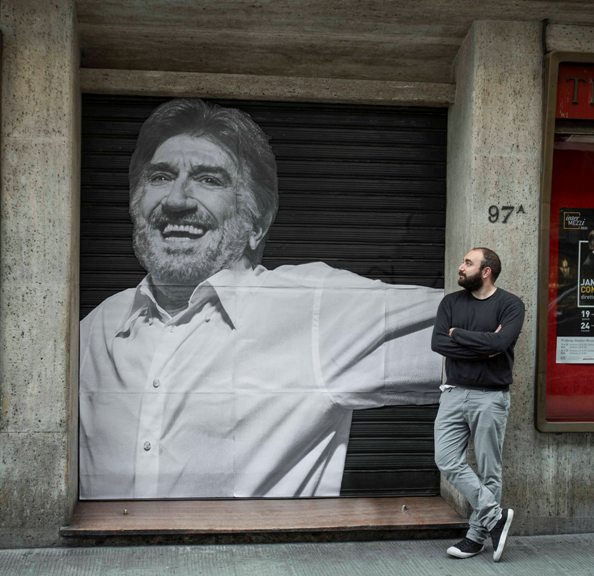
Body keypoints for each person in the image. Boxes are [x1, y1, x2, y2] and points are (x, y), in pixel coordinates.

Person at [80, 98, 443, 500]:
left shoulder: (314, 310)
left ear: (257, 223)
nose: (177, 200)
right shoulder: (93, 332)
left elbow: (483, 336)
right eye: (161, 176)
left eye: (209, 179)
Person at [431, 247, 524, 562]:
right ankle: (495, 515)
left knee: (489, 470)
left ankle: (475, 537)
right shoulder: (450, 303)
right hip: (454, 393)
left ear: (486, 271)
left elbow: (500, 343)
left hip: (490, 396)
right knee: (446, 460)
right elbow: (438, 342)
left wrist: (458, 334)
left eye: (468, 263)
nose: (461, 266)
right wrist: (484, 347)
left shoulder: (510, 305)